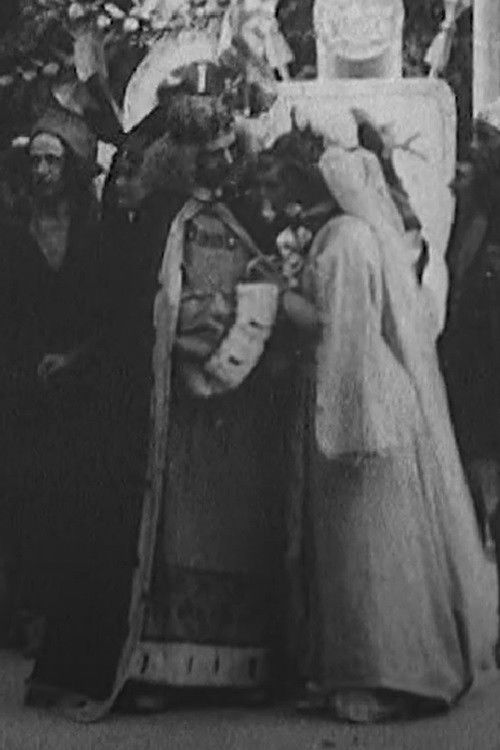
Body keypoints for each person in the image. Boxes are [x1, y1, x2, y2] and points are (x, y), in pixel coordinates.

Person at [26, 62, 312, 720]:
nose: (221, 166)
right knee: (169, 532)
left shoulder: (248, 215)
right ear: (183, 157)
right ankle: (157, 662)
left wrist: (243, 325)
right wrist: (183, 330)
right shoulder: (156, 222)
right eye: (208, 155)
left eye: (226, 153)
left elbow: (269, 284)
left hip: (237, 414)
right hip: (170, 409)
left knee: (235, 528)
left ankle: (239, 665)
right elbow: (135, 313)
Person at [252, 127, 497, 723]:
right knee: (352, 544)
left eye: (277, 183)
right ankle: (357, 664)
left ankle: (390, 670)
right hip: (358, 387)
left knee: (366, 545)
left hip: (358, 397)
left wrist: (275, 297)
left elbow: (339, 327)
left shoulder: (344, 241)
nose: (271, 197)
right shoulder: (344, 234)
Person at [0, 103, 107, 650]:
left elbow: (107, 311)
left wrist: (77, 357)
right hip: (20, 383)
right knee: (21, 493)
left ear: (72, 168)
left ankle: (64, 613)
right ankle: (20, 609)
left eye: (52, 161)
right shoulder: (11, 230)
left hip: (79, 380)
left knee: (74, 494)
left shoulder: (93, 232)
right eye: (36, 161)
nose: (42, 171)